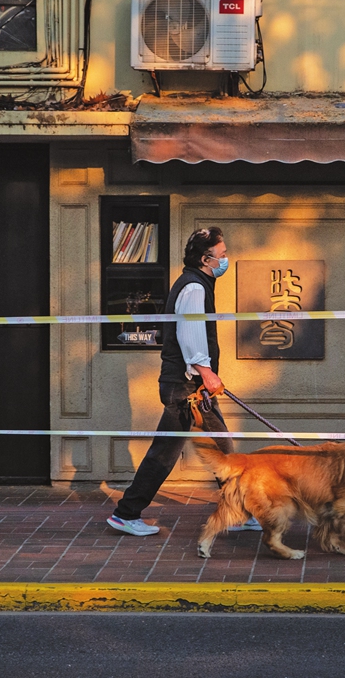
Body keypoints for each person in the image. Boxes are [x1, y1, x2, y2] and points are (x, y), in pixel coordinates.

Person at [107, 226, 261, 536]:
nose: (226, 259)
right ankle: (126, 513)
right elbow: (190, 334)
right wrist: (206, 371)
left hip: (193, 386)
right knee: (165, 453)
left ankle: (241, 512)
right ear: (207, 259)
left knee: (223, 448)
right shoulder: (194, 288)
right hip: (187, 388)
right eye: (222, 254)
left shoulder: (197, 282)